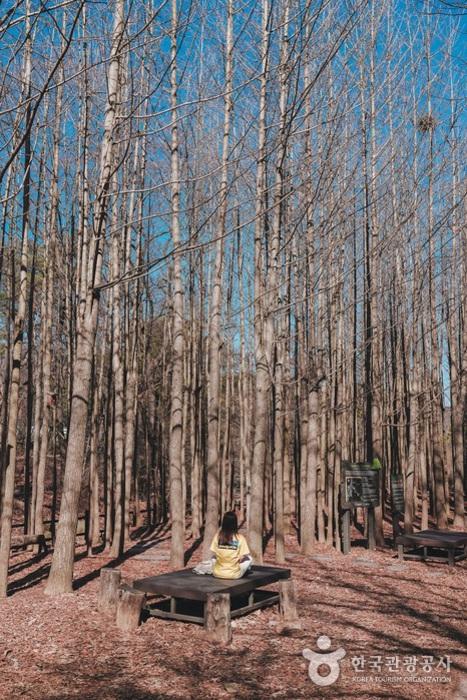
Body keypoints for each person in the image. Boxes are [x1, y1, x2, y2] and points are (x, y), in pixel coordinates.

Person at [209, 511, 252, 579]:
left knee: (213, 557)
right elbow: (243, 556)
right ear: (235, 523)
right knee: (249, 558)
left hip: (217, 573)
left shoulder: (217, 536)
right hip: (234, 575)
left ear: (223, 523)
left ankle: (219, 570)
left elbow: (214, 552)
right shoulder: (240, 538)